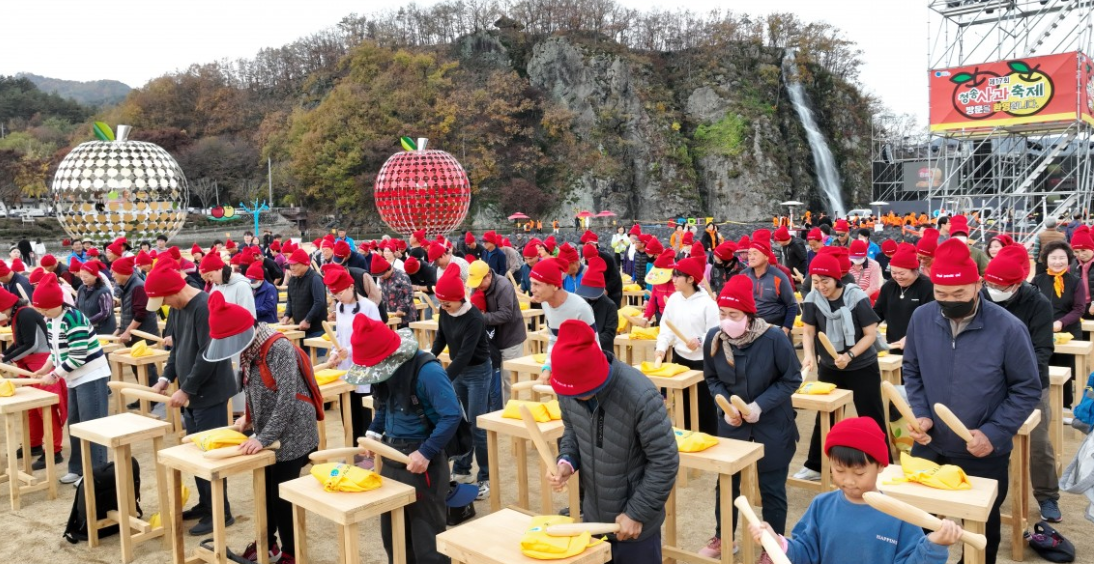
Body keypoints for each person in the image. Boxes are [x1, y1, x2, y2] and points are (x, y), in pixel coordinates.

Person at [902, 239, 1041, 564]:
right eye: (941, 294)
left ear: (978, 285)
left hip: (980, 449)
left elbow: (1026, 389)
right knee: (920, 522)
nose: (949, 302)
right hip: (931, 445)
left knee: (982, 530)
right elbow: (912, 370)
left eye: (959, 294)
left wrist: (992, 433)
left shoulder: (1008, 328)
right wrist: (921, 414)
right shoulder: (922, 319)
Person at [547, 320, 679, 563]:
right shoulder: (568, 391)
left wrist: (636, 512)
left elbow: (665, 460)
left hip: (635, 523)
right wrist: (567, 460)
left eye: (581, 392)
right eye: (570, 393)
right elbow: (572, 431)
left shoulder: (640, 395)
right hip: (595, 516)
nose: (574, 398)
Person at [748, 417, 964, 564]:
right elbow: (805, 553)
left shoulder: (900, 515)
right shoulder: (821, 506)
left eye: (859, 473)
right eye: (839, 470)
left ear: (880, 465)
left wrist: (935, 545)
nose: (849, 481)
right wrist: (778, 543)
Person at [203, 293, 318, 564]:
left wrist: (263, 437)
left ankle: (291, 552)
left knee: (282, 495)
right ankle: (267, 543)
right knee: (264, 491)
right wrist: (248, 419)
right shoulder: (250, 348)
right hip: (269, 429)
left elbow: (286, 396)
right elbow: (255, 388)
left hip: (294, 429)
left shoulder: (278, 347)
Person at [698, 275, 801, 559]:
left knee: (772, 487)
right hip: (732, 427)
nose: (727, 320)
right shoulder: (714, 339)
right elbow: (712, 379)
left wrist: (759, 406)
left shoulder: (774, 338)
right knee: (726, 483)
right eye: (722, 313)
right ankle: (723, 537)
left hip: (772, 424)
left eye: (734, 314)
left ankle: (773, 545)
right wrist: (726, 410)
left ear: (748, 314)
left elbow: (791, 379)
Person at [356, 314, 461, 564]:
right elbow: (385, 405)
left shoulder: (428, 371)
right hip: (392, 459)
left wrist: (426, 452)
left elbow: (451, 415)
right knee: (393, 539)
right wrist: (373, 434)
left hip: (423, 463)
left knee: (427, 544)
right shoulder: (387, 368)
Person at [146, 259, 238, 536]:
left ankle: (221, 512)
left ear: (174, 291)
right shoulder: (177, 309)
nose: (167, 306)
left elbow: (207, 354)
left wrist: (185, 388)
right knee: (196, 452)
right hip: (190, 391)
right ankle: (206, 503)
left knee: (210, 454)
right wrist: (165, 377)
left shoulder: (204, 306)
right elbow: (176, 349)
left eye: (165, 300)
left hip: (209, 392)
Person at [982, 244, 1061, 523]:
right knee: (984, 438)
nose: (991, 288)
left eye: (999, 285)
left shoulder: (1037, 304)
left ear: (1017, 284)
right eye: (988, 282)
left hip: (1029, 383)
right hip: (987, 380)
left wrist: (1023, 384)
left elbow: (1042, 350)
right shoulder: (982, 297)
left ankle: (1047, 495)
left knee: (1038, 443)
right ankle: (985, 495)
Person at [796, 252, 887, 481]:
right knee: (825, 414)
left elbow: (870, 334)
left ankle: (884, 467)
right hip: (829, 366)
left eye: (825, 281)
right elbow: (808, 331)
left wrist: (849, 355)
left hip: (861, 365)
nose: (820, 286)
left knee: (872, 415)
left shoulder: (855, 296)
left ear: (837, 278)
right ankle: (816, 466)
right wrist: (808, 355)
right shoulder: (812, 299)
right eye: (815, 281)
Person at [31, 274, 111, 485]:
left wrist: (54, 375)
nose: (42, 313)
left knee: (92, 426)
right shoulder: (51, 319)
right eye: (39, 309)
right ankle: (77, 468)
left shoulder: (73, 318)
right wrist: (45, 369)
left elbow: (78, 355)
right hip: (74, 377)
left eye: (45, 309)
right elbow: (55, 351)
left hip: (90, 375)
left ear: (57, 303)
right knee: (75, 425)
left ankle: (96, 474)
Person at [431, 264, 492, 497]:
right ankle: (462, 468)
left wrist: (442, 379)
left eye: (447, 303)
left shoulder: (474, 318)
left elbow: (466, 354)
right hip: (458, 372)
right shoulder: (445, 313)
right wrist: (427, 360)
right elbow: (440, 340)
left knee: (477, 425)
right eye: (441, 304)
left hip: (478, 372)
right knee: (458, 421)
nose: (443, 307)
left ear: (459, 299)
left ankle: (485, 476)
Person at [653, 255, 720, 434]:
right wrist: (661, 348)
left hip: (703, 363)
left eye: (677, 275)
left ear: (690, 279)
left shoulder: (708, 304)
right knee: (683, 406)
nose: (673, 279)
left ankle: (708, 444)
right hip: (680, 361)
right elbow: (666, 327)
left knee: (705, 408)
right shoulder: (674, 300)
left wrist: (699, 340)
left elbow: (716, 332)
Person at [0, 287, 64, 470]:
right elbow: (20, 343)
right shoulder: (16, 315)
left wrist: (9, 358)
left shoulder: (25, 314)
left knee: (46, 408)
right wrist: (4, 355)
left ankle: (54, 451)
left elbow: (32, 344)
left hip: (41, 363)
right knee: (30, 409)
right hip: (28, 363)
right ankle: (34, 444)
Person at [324, 267, 381, 467]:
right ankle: (354, 450)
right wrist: (334, 354)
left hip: (365, 366)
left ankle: (370, 454)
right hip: (346, 367)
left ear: (351, 286)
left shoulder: (368, 307)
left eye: (340, 293)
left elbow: (376, 336)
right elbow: (338, 336)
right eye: (334, 295)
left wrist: (350, 349)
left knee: (364, 412)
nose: (338, 298)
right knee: (348, 412)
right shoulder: (339, 308)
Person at [1033, 240, 1084, 409]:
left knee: (1065, 368)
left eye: (1062, 258)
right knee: (1043, 369)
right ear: (1046, 259)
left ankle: (1065, 405)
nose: (1057, 262)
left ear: (1068, 259)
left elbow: (1078, 309)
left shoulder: (1076, 281)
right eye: (1053, 258)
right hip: (1042, 334)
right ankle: (1044, 406)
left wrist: (1061, 322)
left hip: (1068, 333)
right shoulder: (1037, 280)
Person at [467, 259, 526, 404]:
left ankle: (511, 415)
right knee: (496, 381)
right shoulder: (479, 286)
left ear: (488, 276)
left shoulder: (503, 286)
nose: (477, 286)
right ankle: (498, 414)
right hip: (492, 341)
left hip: (510, 339)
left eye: (480, 282)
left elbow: (506, 314)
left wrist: (480, 318)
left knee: (509, 380)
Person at [531, 259, 597, 385]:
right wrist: (547, 368)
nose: (532, 290)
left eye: (537, 284)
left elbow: (594, 348)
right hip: (562, 373)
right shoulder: (545, 303)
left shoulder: (580, 308)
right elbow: (554, 339)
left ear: (555, 286)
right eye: (532, 284)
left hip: (584, 376)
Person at [111, 256, 161, 393]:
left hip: (144, 333)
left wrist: (128, 331)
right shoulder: (125, 286)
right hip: (134, 333)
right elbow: (127, 312)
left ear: (123, 272)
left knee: (146, 368)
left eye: (114, 272)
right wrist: (120, 329)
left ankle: (152, 398)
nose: (112, 275)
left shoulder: (137, 286)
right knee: (137, 369)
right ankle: (144, 396)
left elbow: (140, 314)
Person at [872, 244, 933, 352]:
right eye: (894, 272)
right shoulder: (889, 286)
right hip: (895, 344)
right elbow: (877, 313)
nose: (897, 277)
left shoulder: (927, 286)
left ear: (915, 271)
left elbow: (930, 320)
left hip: (921, 345)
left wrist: (911, 337)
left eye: (902, 273)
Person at [742, 237, 798, 336]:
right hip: (750, 328)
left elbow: (792, 305)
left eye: (755, 253)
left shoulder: (779, 277)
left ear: (766, 257)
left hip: (775, 327)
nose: (751, 257)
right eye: (749, 254)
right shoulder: (743, 276)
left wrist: (785, 330)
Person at [575, 256, 619, 351]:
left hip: (603, 350)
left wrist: (591, 341)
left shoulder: (610, 306)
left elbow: (609, 333)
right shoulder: (581, 302)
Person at [282, 249, 327, 340]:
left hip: (316, 331)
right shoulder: (292, 280)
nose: (292, 268)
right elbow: (290, 300)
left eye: (295, 264)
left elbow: (319, 302)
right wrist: (287, 315)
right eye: (291, 265)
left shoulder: (315, 279)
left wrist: (308, 319)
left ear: (305, 264)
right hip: (299, 329)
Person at [373, 254, 417, 329]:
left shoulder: (401, 276)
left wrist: (401, 308)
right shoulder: (382, 278)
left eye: (382, 275)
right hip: (391, 315)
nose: (381, 277)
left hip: (405, 315)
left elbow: (409, 294)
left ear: (388, 269)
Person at [75, 260, 116, 336]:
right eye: (81, 276)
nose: (83, 279)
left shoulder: (104, 291)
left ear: (95, 276)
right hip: (87, 328)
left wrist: (87, 321)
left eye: (86, 276)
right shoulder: (81, 288)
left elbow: (105, 313)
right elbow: (76, 306)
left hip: (102, 330)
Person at [1069, 226, 1094, 319]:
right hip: (1078, 307)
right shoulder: (1072, 265)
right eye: (1076, 251)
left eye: (1084, 250)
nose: (1081, 254)